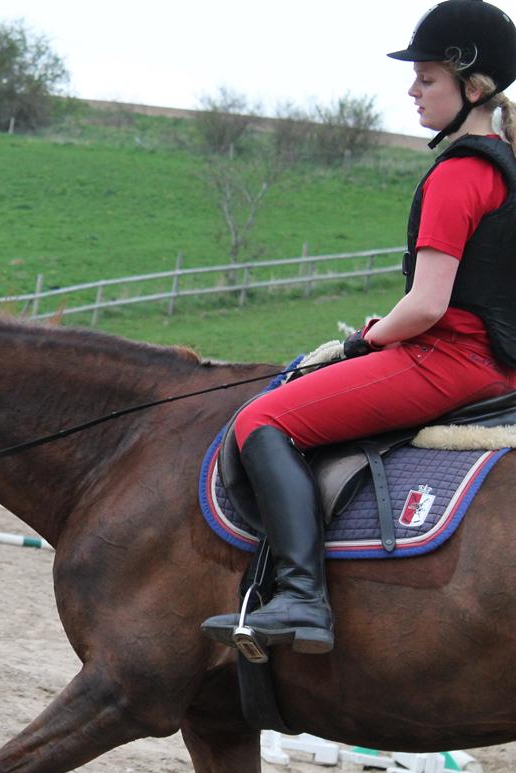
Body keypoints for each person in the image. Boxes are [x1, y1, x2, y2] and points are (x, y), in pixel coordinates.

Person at [201, 0, 516, 655]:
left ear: (472, 86)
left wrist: (363, 340)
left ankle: (300, 598)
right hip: (491, 360)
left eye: (427, 78)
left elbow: (427, 306)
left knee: (264, 421)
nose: (412, 89)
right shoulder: (507, 167)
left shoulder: (461, 174)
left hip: (446, 359)